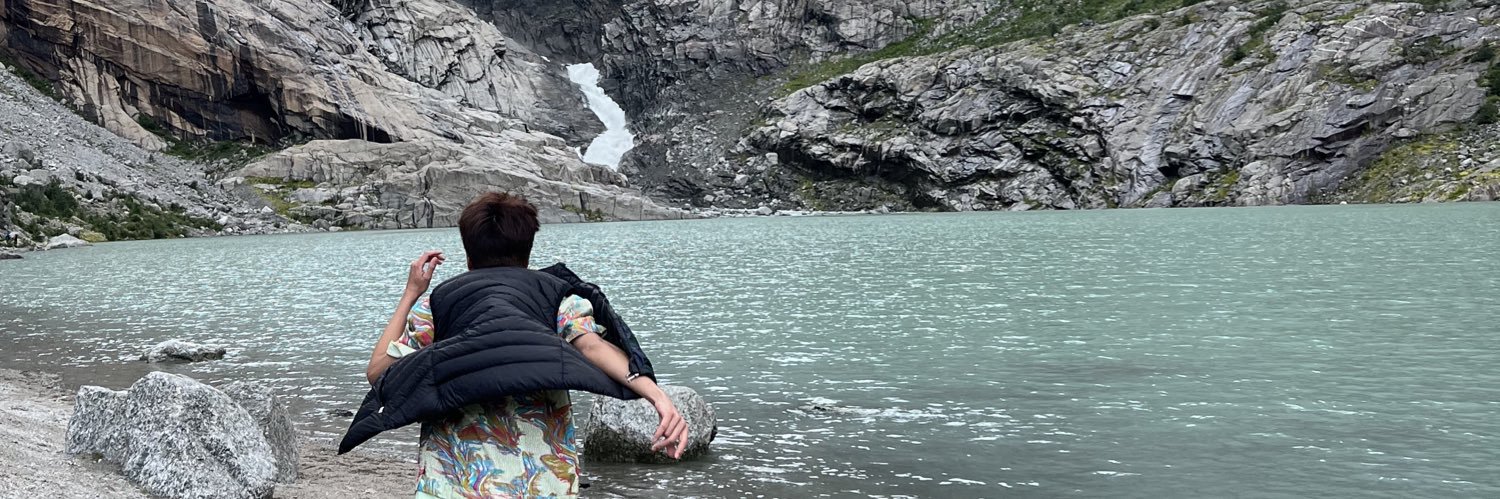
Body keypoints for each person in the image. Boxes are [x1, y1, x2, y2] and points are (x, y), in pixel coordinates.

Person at [355, 192, 688, 498]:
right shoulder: (557, 298)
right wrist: (658, 396)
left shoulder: (439, 305)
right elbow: (591, 347)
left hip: (454, 480)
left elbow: (378, 372)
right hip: (543, 479)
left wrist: (412, 292)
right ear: (528, 253)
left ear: (469, 257)